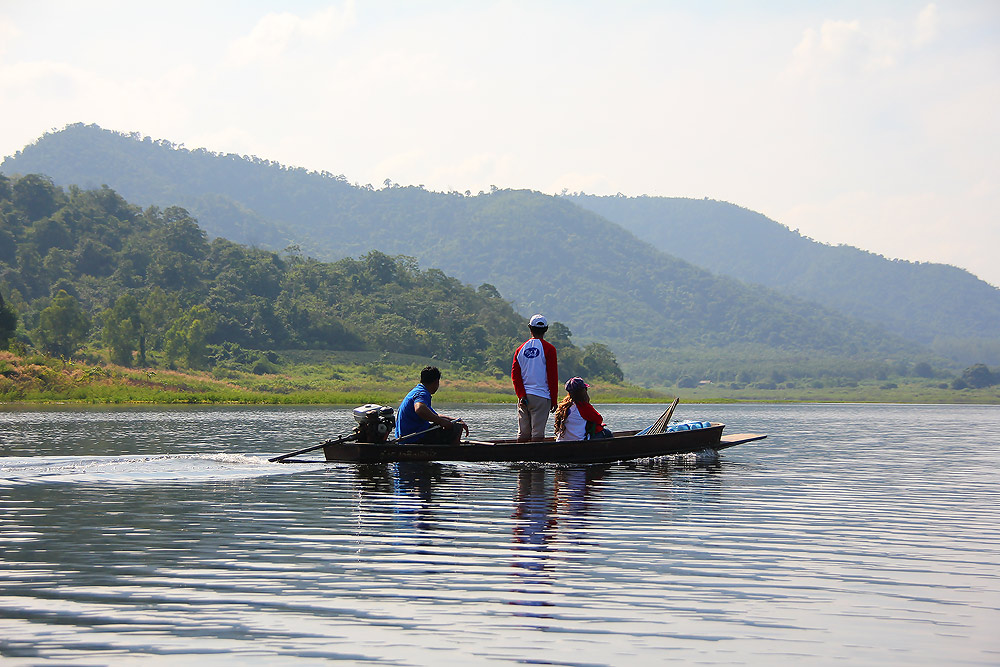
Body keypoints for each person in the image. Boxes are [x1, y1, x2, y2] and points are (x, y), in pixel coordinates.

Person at [511, 314, 559, 442]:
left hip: (524, 397)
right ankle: (534, 459)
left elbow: (515, 376)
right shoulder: (549, 349)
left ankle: (520, 458)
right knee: (537, 433)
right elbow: (552, 377)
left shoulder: (520, 349)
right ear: (546, 329)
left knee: (523, 433)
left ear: (529, 328)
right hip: (541, 397)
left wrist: (521, 395)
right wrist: (554, 400)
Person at [396, 366, 469, 445]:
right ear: (436, 382)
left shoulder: (417, 391)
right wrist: (441, 421)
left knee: (456, 424)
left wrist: (455, 420)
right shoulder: (422, 393)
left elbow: (435, 415)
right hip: (413, 438)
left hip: (405, 437)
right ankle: (453, 453)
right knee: (457, 428)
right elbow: (419, 409)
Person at [553, 377, 613, 441]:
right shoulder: (582, 406)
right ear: (583, 391)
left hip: (560, 441)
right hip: (578, 441)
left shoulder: (562, 406)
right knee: (607, 433)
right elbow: (599, 419)